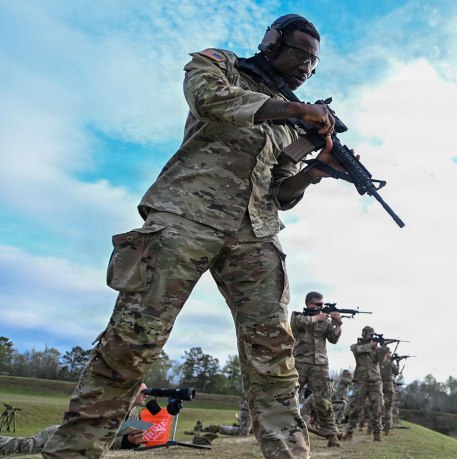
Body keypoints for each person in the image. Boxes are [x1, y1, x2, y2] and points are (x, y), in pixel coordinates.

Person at [42, 13, 346, 459]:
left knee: (275, 358)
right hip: (185, 215)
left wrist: (314, 172)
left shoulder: (289, 122)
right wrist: (299, 110)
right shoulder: (220, 64)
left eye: (314, 63)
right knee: (133, 340)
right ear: (272, 43)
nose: (307, 67)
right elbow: (210, 100)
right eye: (301, 54)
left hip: (255, 233)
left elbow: (281, 191)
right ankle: (71, 451)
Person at [0, 383, 147, 455]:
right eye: (143, 392)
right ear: (131, 394)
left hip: (73, 441)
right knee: (20, 447)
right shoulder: (108, 409)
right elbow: (92, 438)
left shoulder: (133, 411)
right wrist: (126, 441)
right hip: (62, 436)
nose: (146, 395)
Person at [290, 291, 343, 447]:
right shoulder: (298, 316)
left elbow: (333, 339)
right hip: (299, 362)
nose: (321, 307)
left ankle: (332, 436)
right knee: (288, 396)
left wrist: (337, 323)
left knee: (324, 401)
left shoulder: (325, 322)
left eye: (322, 304)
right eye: (318, 305)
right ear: (309, 304)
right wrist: (316, 318)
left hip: (320, 366)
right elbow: (296, 325)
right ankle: (284, 432)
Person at [341, 326, 389, 442]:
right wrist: (370, 346)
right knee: (355, 408)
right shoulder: (357, 346)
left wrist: (383, 347)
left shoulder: (376, 349)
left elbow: (380, 360)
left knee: (377, 408)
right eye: (370, 335)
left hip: (375, 381)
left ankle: (377, 434)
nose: (372, 337)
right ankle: (349, 432)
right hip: (361, 380)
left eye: (373, 335)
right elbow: (355, 350)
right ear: (364, 335)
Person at [380, 349, 400, 435]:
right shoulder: (390, 362)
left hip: (379, 384)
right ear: (386, 353)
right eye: (389, 353)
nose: (390, 354)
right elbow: (396, 371)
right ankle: (387, 429)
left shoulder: (379, 361)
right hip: (388, 385)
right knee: (388, 408)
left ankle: (374, 428)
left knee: (378, 407)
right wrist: (398, 362)